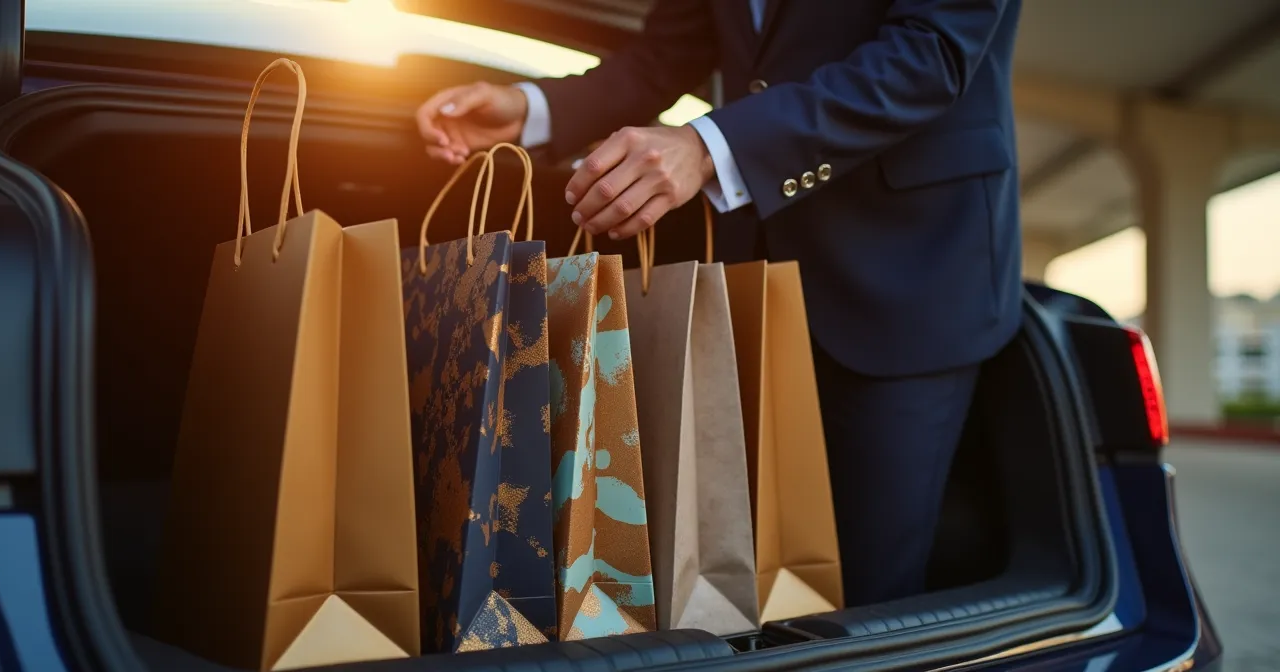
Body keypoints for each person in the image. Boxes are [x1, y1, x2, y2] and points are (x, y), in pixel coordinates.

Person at [416, 0, 1023, 607]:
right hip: (752, 277)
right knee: (735, 579)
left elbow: (931, 56)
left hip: (910, 275)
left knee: (866, 597)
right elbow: (671, 51)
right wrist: (535, 108)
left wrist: (708, 146)